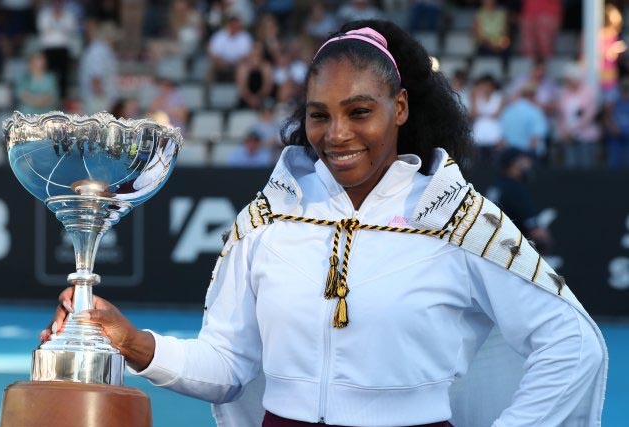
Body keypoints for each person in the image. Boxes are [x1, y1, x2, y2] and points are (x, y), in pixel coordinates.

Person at [43, 20, 606, 427]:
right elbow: (228, 368)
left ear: (400, 109)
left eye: (359, 111)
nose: (337, 134)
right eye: (319, 115)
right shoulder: (268, 218)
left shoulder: (455, 217)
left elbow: (573, 347)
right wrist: (134, 343)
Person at [487, 148, 553, 254]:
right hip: (507, 251)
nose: (528, 164)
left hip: (488, 247)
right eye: (524, 160)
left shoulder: (496, 186)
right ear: (513, 163)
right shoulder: (515, 189)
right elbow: (536, 232)